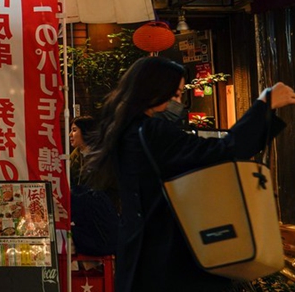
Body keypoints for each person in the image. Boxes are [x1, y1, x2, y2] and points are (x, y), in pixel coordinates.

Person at [87, 56, 295, 292]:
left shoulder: (124, 132)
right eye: (175, 95)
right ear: (154, 91)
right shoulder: (154, 132)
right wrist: (264, 105)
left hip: (140, 257)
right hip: (174, 259)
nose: (178, 103)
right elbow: (224, 151)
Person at [68, 115, 118, 257]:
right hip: (83, 217)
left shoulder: (102, 157)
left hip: (101, 218)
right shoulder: (74, 157)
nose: (70, 135)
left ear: (86, 131)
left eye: (74, 130)